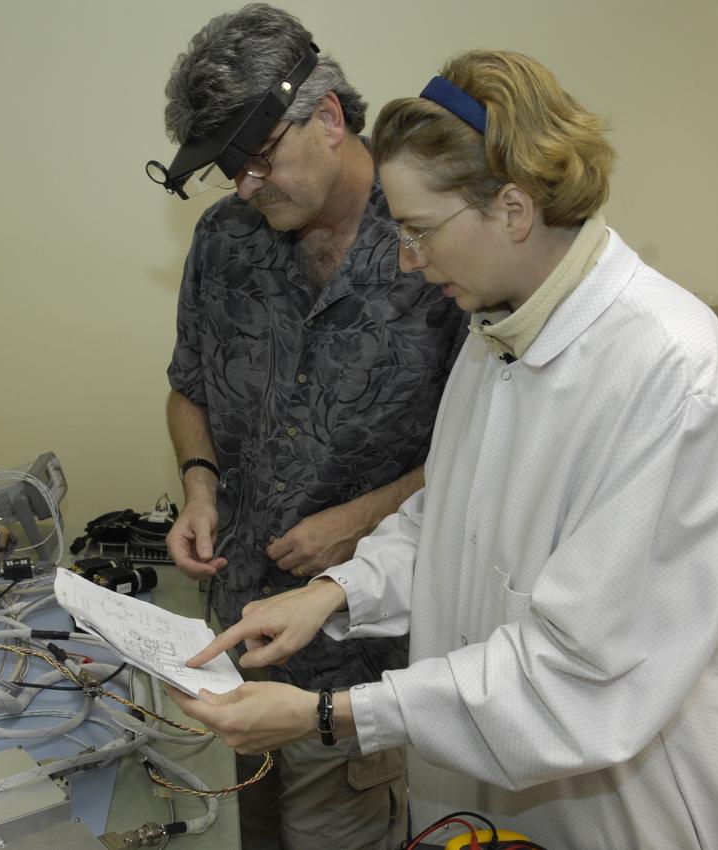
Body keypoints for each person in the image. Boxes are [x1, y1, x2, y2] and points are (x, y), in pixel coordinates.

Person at [173, 49, 718, 849]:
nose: (406, 261)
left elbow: (577, 679)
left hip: (625, 814)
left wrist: (330, 712)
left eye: (420, 231)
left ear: (514, 211)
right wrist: (334, 593)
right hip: (481, 790)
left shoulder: (668, 372)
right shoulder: (499, 336)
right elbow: (447, 523)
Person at [148, 5, 465, 849]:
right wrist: (199, 483)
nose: (246, 187)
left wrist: (366, 517)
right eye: (230, 171)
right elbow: (188, 390)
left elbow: (484, 449)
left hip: (362, 664)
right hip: (231, 644)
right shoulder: (225, 241)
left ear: (327, 117)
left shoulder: (438, 247)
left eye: (258, 161)